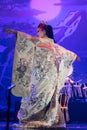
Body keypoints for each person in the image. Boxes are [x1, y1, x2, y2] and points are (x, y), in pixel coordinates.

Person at [4, 22, 80, 128]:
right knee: (36, 95)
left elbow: (65, 52)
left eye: (38, 31)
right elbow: (27, 38)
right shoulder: (44, 43)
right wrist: (15, 33)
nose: (37, 33)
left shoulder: (50, 44)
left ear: (44, 31)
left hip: (49, 75)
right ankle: (37, 119)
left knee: (48, 96)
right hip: (40, 75)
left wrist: (74, 56)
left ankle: (44, 119)